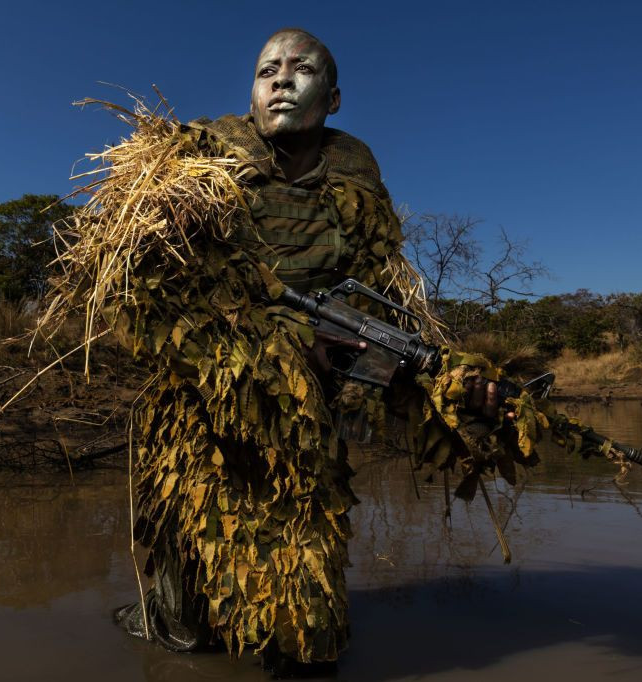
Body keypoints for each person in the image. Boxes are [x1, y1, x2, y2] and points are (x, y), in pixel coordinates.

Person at [111, 28, 505, 674]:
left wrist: (424, 387)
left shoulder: (355, 175)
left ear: (335, 96)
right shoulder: (201, 160)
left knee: (303, 612)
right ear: (252, 91)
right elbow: (153, 296)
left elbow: (381, 309)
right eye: (268, 69)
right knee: (186, 612)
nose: (283, 79)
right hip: (201, 407)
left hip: (305, 419)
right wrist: (282, 345)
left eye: (303, 69)